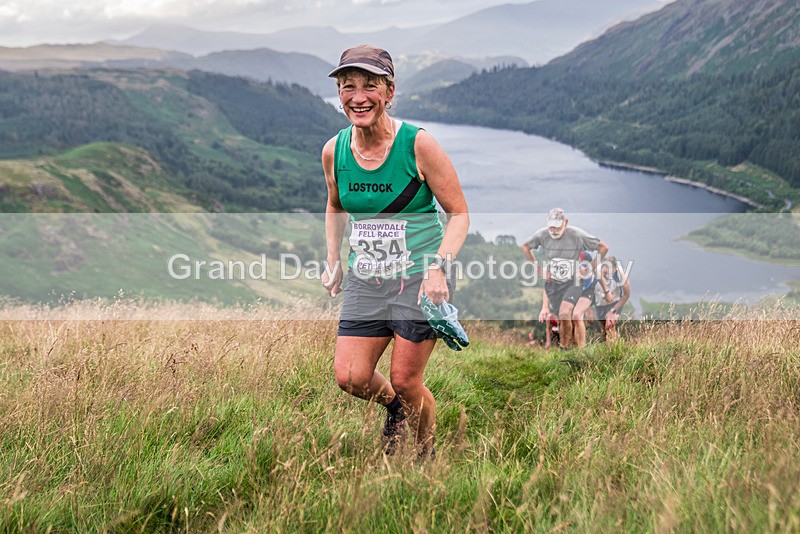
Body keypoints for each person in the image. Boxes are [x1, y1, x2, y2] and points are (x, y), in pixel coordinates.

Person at [320, 45, 469, 460]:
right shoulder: (335, 150)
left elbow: (459, 214)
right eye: (348, 86)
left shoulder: (417, 144)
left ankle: (425, 455)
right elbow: (335, 205)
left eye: (370, 85)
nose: (358, 96)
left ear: (389, 91)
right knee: (350, 376)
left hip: (421, 276)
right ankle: (395, 411)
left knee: (406, 380)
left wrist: (440, 268)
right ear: (339, 94)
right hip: (367, 276)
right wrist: (334, 260)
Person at [521, 208, 608, 349]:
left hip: (573, 281)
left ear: (565, 223)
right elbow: (525, 247)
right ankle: (566, 348)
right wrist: (538, 269)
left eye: (557, 226)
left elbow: (603, 248)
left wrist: (589, 269)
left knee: (565, 312)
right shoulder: (542, 235)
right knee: (562, 318)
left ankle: (566, 349)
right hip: (554, 283)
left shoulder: (577, 235)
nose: (554, 230)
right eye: (551, 226)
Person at [593, 256, 631, 342]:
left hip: (615, 303)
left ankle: (615, 350)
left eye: (609, 267)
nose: (605, 270)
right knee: (604, 330)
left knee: (609, 325)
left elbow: (627, 295)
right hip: (600, 304)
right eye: (604, 266)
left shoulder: (620, 277)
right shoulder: (597, 275)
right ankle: (610, 348)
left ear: (614, 269)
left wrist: (613, 310)